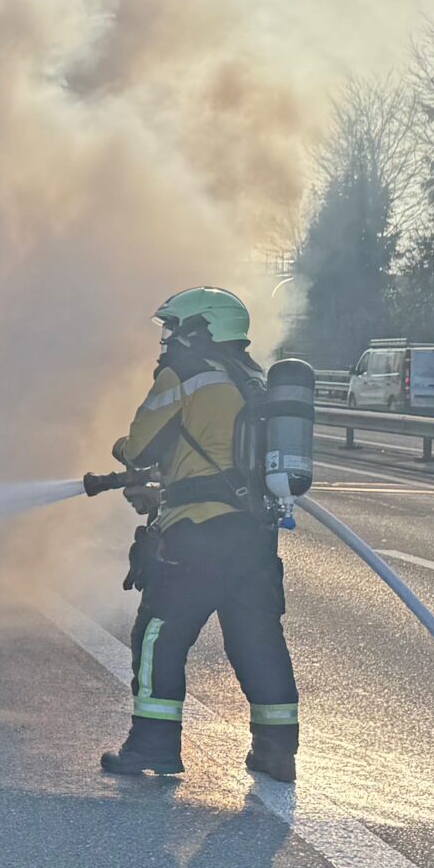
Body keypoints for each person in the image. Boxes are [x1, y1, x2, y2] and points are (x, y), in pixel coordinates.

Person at [86, 286, 301, 784]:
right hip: (254, 537)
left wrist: (122, 450)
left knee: (159, 635)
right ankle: (276, 752)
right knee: (257, 641)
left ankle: (153, 745)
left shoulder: (185, 375)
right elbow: (217, 458)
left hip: (197, 535)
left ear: (201, 328)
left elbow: (140, 447)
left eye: (174, 327)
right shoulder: (253, 379)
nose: (167, 338)